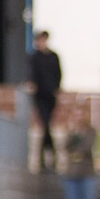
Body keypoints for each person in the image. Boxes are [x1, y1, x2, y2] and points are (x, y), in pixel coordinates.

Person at [27, 31, 65, 168]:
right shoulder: (35, 57)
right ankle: (50, 153)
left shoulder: (53, 57)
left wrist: (56, 88)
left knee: (46, 124)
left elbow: (59, 74)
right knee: (45, 123)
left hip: (50, 94)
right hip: (40, 95)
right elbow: (31, 74)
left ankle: (46, 154)